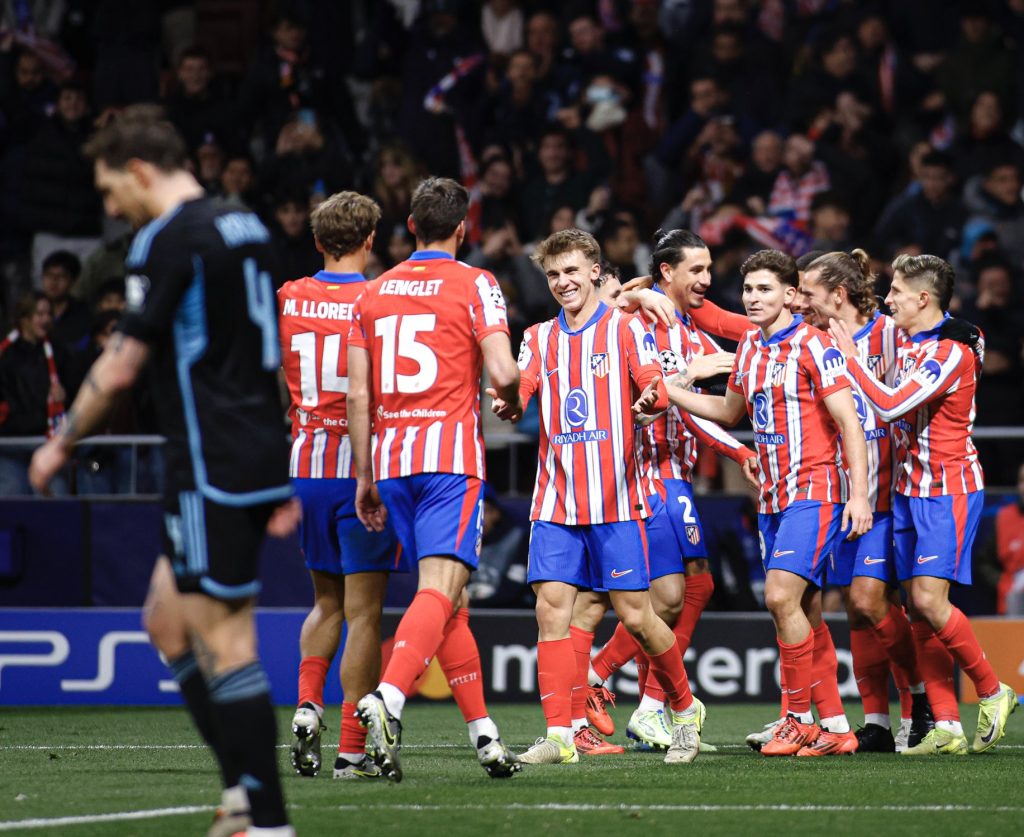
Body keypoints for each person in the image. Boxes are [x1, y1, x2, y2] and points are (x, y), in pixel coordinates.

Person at [28, 105, 297, 837]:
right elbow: (266, 357)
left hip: (210, 462)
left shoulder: (166, 239)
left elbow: (122, 363)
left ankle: (265, 819)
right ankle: (244, 794)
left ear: (140, 171)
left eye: (112, 189)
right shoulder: (249, 227)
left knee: (227, 639)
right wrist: (275, 468)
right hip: (247, 452)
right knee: (164, 620)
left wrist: (59, 443)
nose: (110, 207)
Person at [637, 249, 873, 757]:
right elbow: (727, 409)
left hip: (816, 488)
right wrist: (672, 391)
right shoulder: (749, 350)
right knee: (804, 611)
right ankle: (834, 727)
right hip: (773, 495)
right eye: (748, 290)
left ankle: (795, 718)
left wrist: (859, 495)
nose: (753, 298)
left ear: (791, 295)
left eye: (765, 289)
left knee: (779, 597)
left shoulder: (815, 346)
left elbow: (850, 422)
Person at [492, 228, 703, 767]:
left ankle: (683, 710)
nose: (563, 282)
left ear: (593, 271)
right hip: (556, 502)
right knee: (550, 613)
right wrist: (510, 402)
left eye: (571, 271)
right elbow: (526, 389)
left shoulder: (626, 329)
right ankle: (560, 734)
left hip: (615, 501)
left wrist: (652, 399)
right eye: (553, 274)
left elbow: (653, 384)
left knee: (637, 616)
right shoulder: (538, 337)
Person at [347, 176, 521, 783]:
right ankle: (388, 699)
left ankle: (485, 736)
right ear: (463, 228)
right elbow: (501, 370)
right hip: (449, 461)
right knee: (440, 591)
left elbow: (359, 393)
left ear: (411, 227)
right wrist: (515, 395)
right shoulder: (477, 283)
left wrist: (364, 475)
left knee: (451, 605)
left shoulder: (372, 293)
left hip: (392, 463)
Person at [829, 253, 1018, 755]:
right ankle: (947, 728)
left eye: (894, 291)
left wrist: (849, 360)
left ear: (922, 298)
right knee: (916, 608)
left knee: (931, 601)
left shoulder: (948, 353)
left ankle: (994, 691)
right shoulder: (922, 342)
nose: (886, 299)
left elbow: (890, 404)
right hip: (910, 491)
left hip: (947, 490)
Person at [584, 232, 757, 752]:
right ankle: (610, 679)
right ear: (666, 272)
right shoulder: (636, 322)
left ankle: (648, 705)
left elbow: (715, 403)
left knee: (693, 588)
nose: (706, 280)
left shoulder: (695, 335)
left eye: (709, 269)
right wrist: (740, 453)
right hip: (646, 472)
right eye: (696, 270)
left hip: (674, 472)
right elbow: (658, 397)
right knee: (665, 596)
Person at [277, 191, 408, 781]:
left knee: (324, 603)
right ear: (370, 240)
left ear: (317, 242)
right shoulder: (381, 298)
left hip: (305, 467)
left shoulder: (288, 297)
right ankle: (352, 750)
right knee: (364, 614)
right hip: (363, 472)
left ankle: (308, 705)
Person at [792, 249, 933, 753]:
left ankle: (922, 702)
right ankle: (876, 720)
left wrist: (968, 336)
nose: (798, 300)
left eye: (807, 291)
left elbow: (944, 332)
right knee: (857, 613)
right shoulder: (810, 339)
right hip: (842, 494)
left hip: (888, 495)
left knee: (869, 600)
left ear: (838, 294)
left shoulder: (890, 333)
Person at [0, 292, 67, 495]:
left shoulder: (59, 352)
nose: (46, 319)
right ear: (24, 318)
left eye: (49, 314)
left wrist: (65, 397)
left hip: (48, 444)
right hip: (10, 446)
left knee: (54, 504)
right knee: (13, 501)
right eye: (39, 314)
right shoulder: (5, 356)